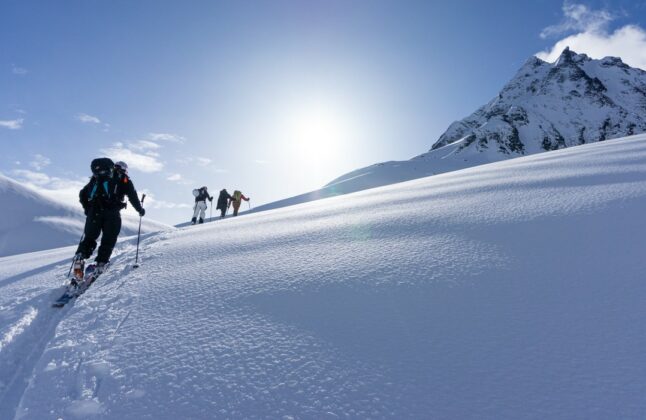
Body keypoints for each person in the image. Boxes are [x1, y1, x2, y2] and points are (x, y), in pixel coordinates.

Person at [72, 159, 145, 282]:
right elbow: (132, 195)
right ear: (125, 169)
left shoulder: (96, 179)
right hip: (112, 213)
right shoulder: (123, 178)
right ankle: (100, 265)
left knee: (89, 238)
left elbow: (82, 194)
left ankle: (80, 258)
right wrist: (140, 209)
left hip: (94, 213)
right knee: (108, 239)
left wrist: (87, 210)